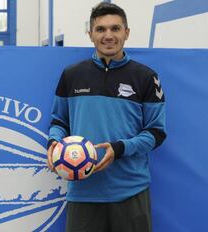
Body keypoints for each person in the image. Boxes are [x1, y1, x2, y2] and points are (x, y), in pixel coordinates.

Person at [46, 2, 166, 232]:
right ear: (90, 34)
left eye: (115, 28)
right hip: (83, 192)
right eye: (100, 29)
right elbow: (59, 122)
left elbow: (156, 133)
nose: (108, 36)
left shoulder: (146, 77)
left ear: (126, 32)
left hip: (131, 191)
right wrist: (53, 144)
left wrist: (120, 148)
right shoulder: (72, 75)